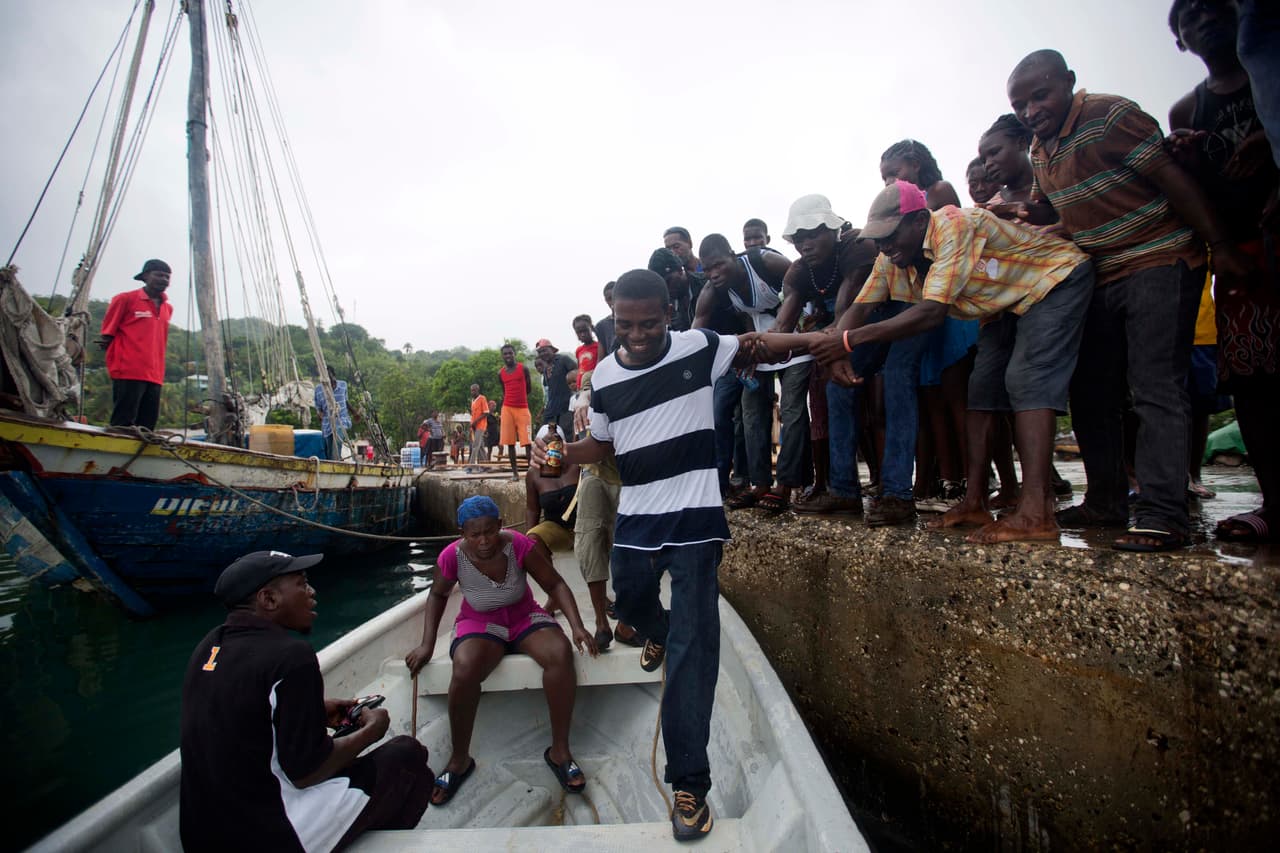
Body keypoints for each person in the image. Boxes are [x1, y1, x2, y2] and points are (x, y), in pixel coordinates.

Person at [531, 269, 792, 841]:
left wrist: (839, 340)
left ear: (668, 314)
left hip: (697, 520)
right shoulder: (603, 373)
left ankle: (689, 786)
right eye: (625, 324)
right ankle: (660, 631)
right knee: (630, 607)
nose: (636, 334)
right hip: (639, 518)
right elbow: (601, 443)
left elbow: (761, 343)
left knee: (692, 653)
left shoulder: (699, 347)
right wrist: (561, 453)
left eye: (648, 323)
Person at [1004, 48, 1249, 551]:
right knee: (1091, 391)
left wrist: (1220, 245)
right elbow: (1056, 208)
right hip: (1101, 272)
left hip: (1160, 256)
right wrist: (1024, 212)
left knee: (1155, 385)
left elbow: (1171, 178)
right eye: (1019, 105)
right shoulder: (1040, 150)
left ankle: (1164, 514)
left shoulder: (1109, 115)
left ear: (1069, 82)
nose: (1030, 111)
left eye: (1040, 96)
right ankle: (1105, 500)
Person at [810, 181, 1095, 543]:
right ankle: (974, 502)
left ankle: (1037, 512)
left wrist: (848, 341)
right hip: (1003, 303)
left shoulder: (953, 226)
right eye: (878, 239)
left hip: (1054, 279)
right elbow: (861, 307)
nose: (884, 246)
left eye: (891, 236)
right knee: (981, 393)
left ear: (919, 221)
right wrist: (838, 349)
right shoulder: (890, 259)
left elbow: (931, 312)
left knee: (1027, 380)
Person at [180, 551, 432, 852]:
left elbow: (241, 709)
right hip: (268, 837)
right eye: (301, 583)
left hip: (201, 836)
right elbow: (308, 772)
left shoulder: (210, 646)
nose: (312, 592)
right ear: (269, 599)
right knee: (408, 756)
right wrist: (371, 732)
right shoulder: (291, 656)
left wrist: (313, 710)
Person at [1167, 0, 1280, 541]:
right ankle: (1274, 503)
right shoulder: (1189, 109)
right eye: (1189, 16)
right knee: (1253, 380)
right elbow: (1196, 194)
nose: (1205, 18)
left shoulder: (1270, 79)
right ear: (1180, 41)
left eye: (1215, 6)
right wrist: (1190, 163)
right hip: (1240, 253)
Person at [403, 496, 597, 806]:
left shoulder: (518, 545)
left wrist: (576, 626)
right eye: (474, 535)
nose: (483, 541)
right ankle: (459, 759)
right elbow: (438, 595)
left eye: (489, 532)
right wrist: (427, 644)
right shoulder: (451, 556)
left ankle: (560, 751)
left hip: (524, 617)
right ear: (462, 533)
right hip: (480, 623)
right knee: (464, 667)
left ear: (500, 526)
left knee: (560, 653)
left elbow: (555, 585)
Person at [778, 195, 901, 522]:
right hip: (844, 336)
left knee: (889, 400)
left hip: (888, 322)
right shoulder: (798, 273)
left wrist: (830, 346)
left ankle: (896, 491)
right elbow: (781, 326)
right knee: (837, 390)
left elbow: (848, 310)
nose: (806, 243)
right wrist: (752, 349)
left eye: (814, 233)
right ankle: (844, 490)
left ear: (834, 230)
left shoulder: (858, 248)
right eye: (799, 237)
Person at [697, 233, 810, 513]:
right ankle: (759, 484)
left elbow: (803, 279)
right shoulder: (714, 289)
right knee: (751, 414)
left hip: (797, 336)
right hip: (761, 346)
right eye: (707, 269)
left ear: (733, 255)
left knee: (792, 410)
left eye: (718, 265)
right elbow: (697, 330)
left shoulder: (765, 262)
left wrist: (814, 320)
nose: (713, 274)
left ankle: (785, 484)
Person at [100, 258, 173, 430]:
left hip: (155, 373)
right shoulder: (125, 299)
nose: (164, 280)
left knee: (147, 426)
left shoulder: (167, 308)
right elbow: (107, 335)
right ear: (145, 276)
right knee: (123, 424)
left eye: (167, 277)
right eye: (159, 275)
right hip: (128, 370)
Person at [526, 423, 581, 563]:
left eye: (555, 446)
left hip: (584, 526)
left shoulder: (577, 465)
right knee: (533, 539)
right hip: (557, 530)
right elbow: (532, 510)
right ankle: (549, 574)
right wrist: (528, 543)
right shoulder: (533, 474)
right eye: (546, 447)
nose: (552, 452)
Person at [498, 344, 532, 480]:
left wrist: (520, 399)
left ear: (514, 354)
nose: (508, 356)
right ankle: (515, 473)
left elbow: (528, 388)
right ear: (502, 356)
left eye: (510, 353)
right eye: (505, 354)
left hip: (523, 408)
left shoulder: (523, 369)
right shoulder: (500, 373)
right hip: (507, 409)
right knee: (510, 442)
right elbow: (504, 391)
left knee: (527, 442)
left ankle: (531, 473)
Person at [536, 338, 577, 437]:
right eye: (540, 352)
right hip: (551, 409)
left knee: (566, 435)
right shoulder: (546, 368)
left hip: (566, 406)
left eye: (545, 350)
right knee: (549, 436)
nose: (542, 354)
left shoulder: (563, 360)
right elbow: (548, 389)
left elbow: (577, 372)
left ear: (552, 350)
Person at [315, 366, 352, 461]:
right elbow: (319, 408)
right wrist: (320, 416)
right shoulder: (318, 389)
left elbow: (346, 401)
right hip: (327, 423)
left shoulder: (343, 385)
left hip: (341, 420)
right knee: (328, 449)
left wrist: (355, 413)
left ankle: (336, 462)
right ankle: (331, 462)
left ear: (333, 375)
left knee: (337, 441)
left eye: (330, 375)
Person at [572, 316, 600, 390]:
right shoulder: (579, 350)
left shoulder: (599, 346)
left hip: (593, 385)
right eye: (579, 332)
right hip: (581, 386)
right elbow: (579, 368)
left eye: (585, 331)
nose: (583, 334)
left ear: (591, 329)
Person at [595, 282, 617, 355]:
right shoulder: (601, 326)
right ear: (606, 301)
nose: (613, 301)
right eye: (609, 298)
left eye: (615, 297)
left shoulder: (634, 319)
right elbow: (601, 356)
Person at [469, 384, 489, 462]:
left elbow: (486, 412)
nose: (472, 392)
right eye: (471, 390)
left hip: (481, 425)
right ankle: (485, 464)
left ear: (478, 390)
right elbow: (473, 414)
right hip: (474, 426)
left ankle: (471, 465)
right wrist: (472, 424)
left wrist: (476, 421)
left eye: (474, 390)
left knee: (475, 445)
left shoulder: (482, 398)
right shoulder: (472, 401)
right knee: (480, 447)